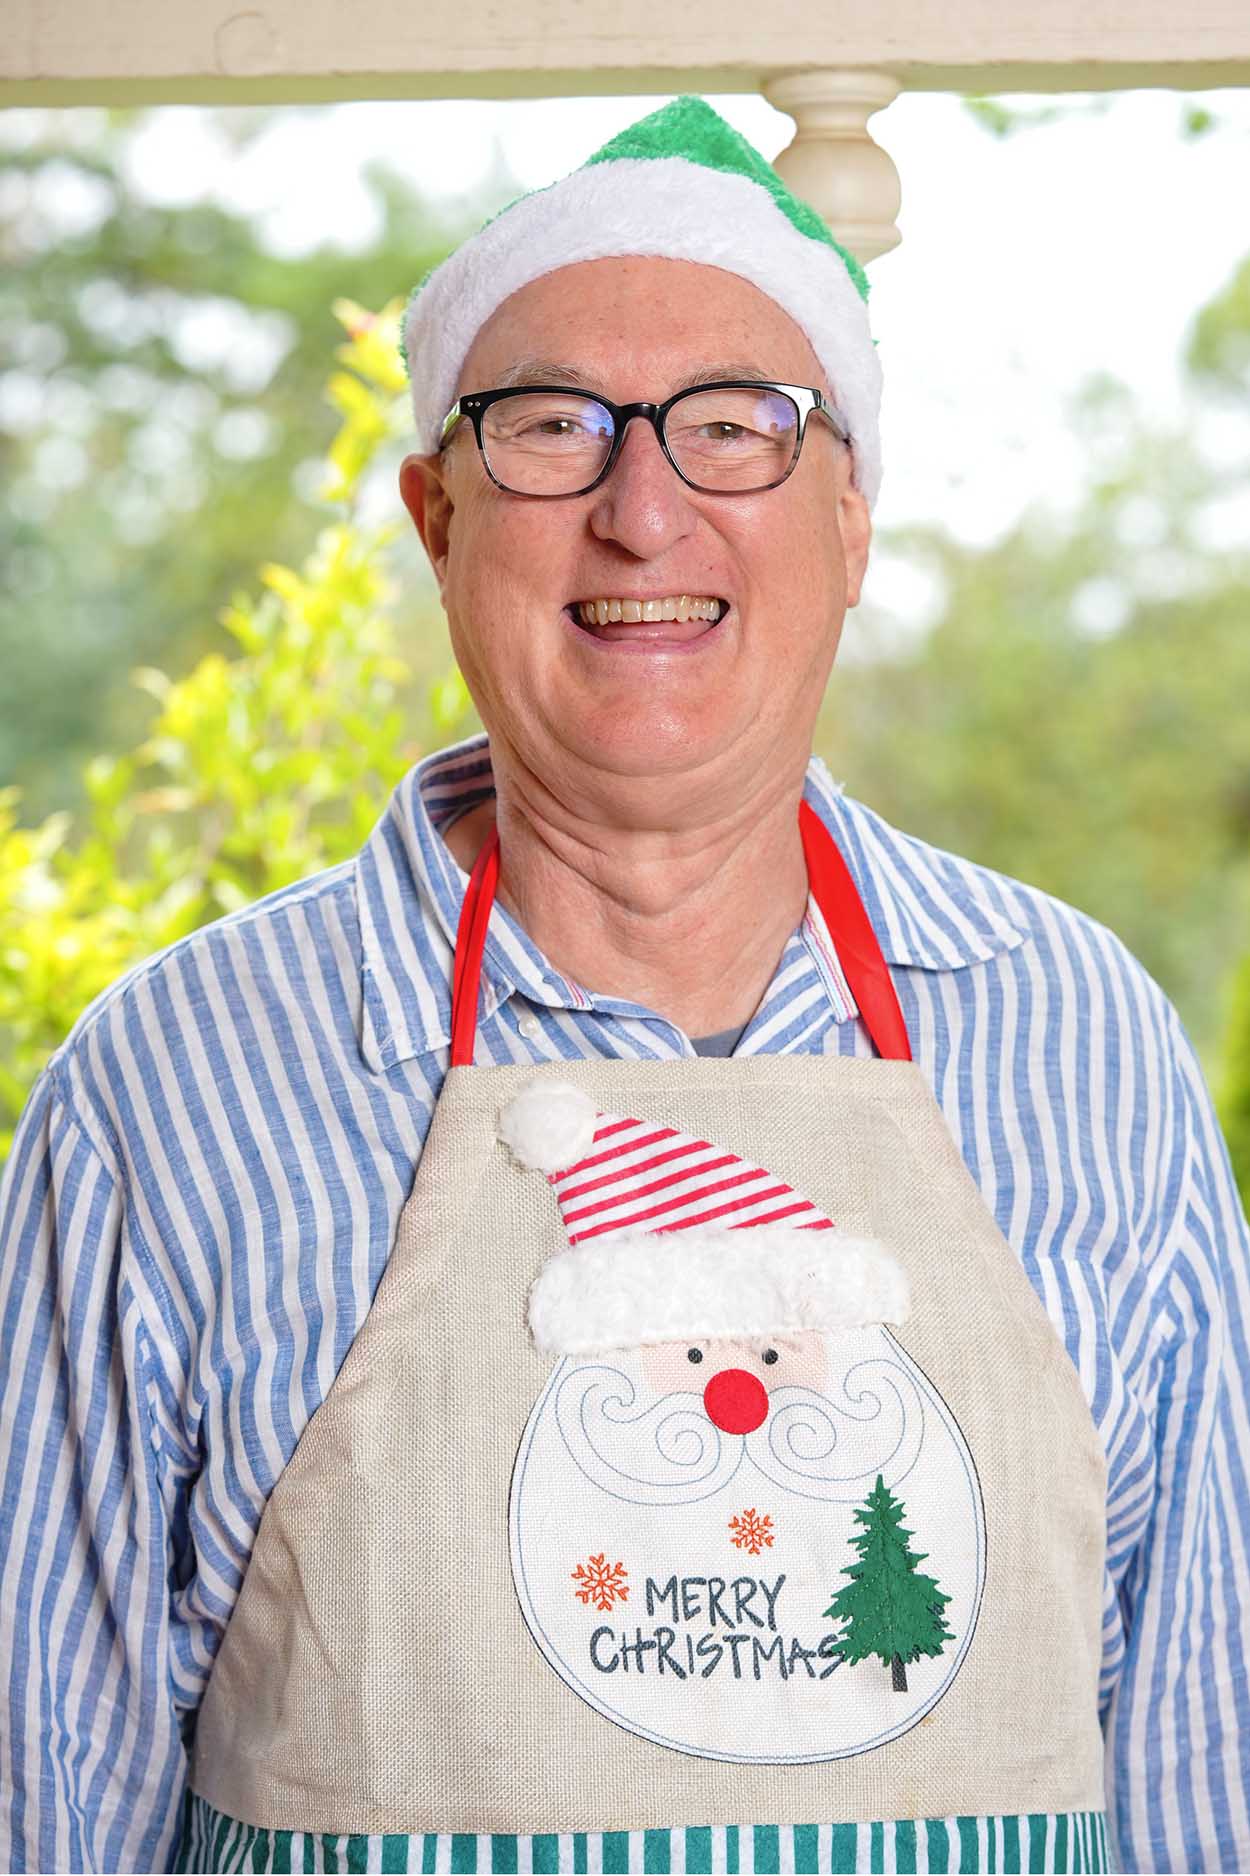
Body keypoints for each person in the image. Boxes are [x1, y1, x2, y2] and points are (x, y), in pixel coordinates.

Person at [1, 94, 1247, 1876]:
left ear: (848, 518)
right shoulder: (173, 1089)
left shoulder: (1080, 1043)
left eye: (733, 427)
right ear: (437, 521)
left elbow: (1208, 1786)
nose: (642, 511)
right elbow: (41, 1808)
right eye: (551, 431)